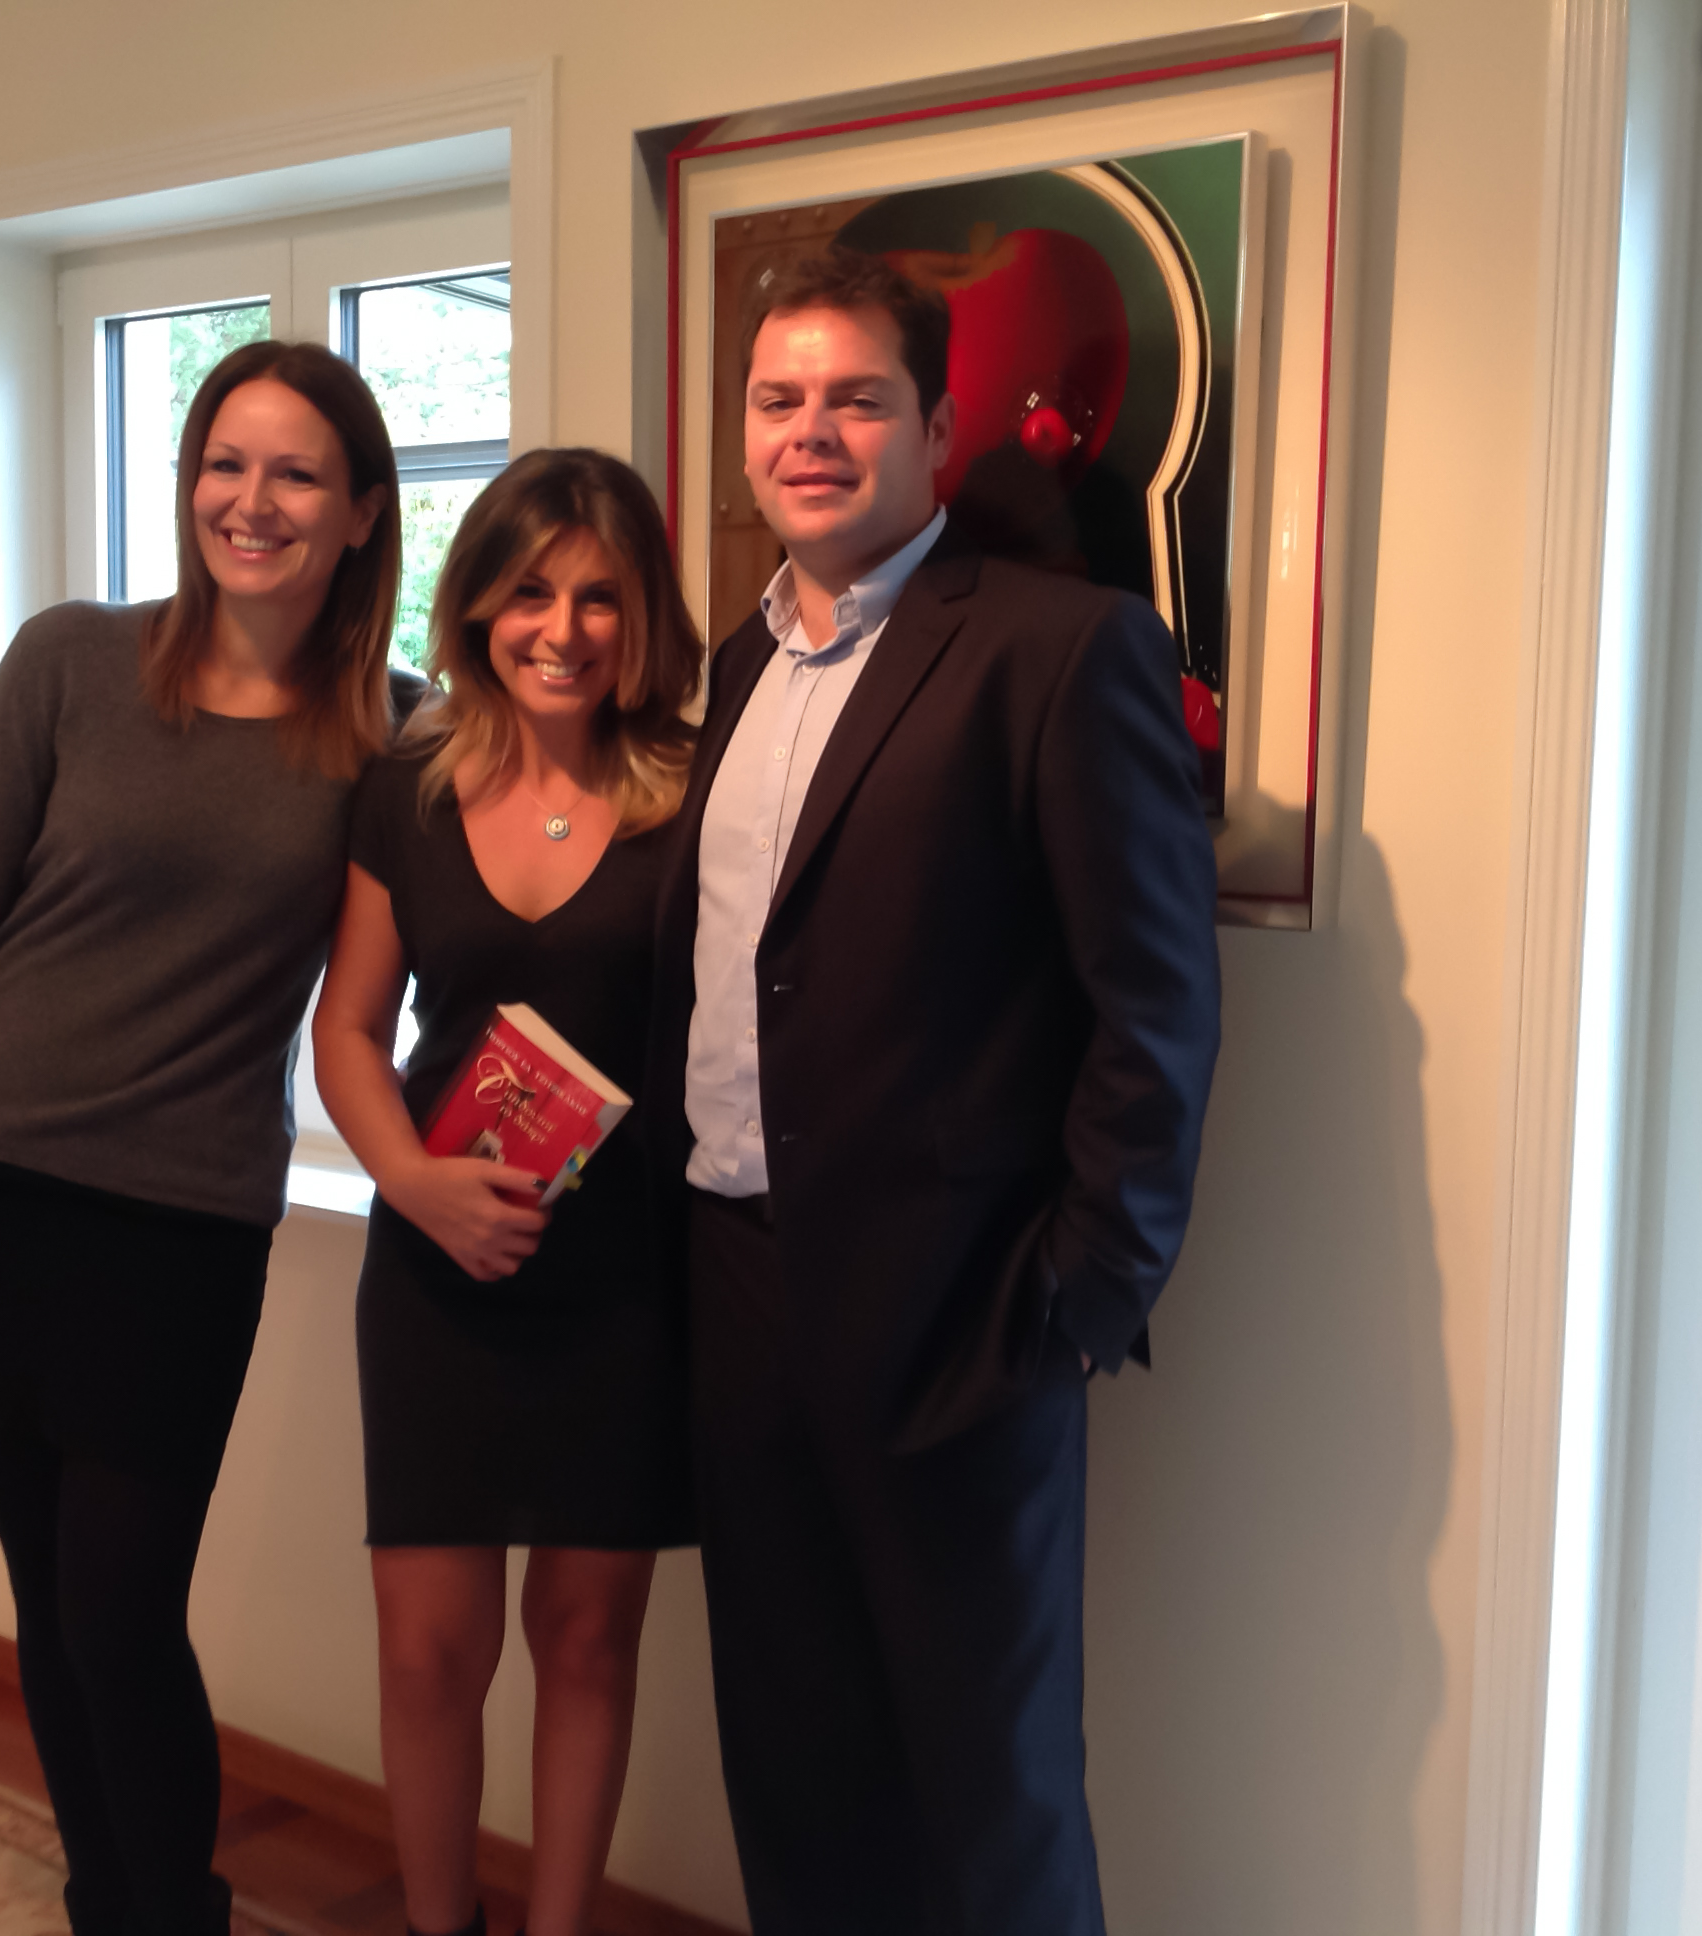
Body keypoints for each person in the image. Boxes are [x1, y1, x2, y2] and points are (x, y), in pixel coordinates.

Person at [644, 249, 1222, 1933]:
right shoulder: (739, 669)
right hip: (737, 1292)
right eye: (779, 400)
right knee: (792, 1763)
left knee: (990, 1797)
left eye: (857, 399)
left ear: (941, 429)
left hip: (964, 1319)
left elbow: (1154, 1008)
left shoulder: (1061, 649)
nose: (810, 432)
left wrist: (1083, 1296)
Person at [0, 339, 402, 1936]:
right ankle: (112, 1905)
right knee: (51, 1596)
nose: (252, 501)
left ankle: (172, 1912)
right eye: (225, 464)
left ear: (362, 511)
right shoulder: (70, 661)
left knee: (123, 1610)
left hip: (180, 1228)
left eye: (296, 474)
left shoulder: (394, 736)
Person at [311, 448, 701, 1936]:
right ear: (478, 604)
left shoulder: (698, 793)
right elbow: (349, 1029)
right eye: (531, 591)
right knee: (428, 1654)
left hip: (626, 1281)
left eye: (601, 598)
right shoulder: (407, 790)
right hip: (436, 1268)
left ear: (643, 617)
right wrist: (413, 1183)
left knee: (588, 1643)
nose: (563, 629)